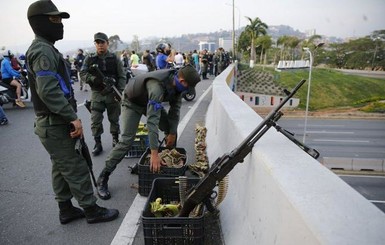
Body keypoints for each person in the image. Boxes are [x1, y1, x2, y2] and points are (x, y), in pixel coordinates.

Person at [26, 0, 119, 224]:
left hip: (52, 122)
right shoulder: (43, 51)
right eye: (54, 19)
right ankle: (91, 210)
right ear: (40, 22)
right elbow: (48, 91)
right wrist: (72, 117)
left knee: (61, 166)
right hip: (55, 122)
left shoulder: (47, 48)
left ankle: (66, 209)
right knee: (75, 166)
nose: (60, 25)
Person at [96, 64, 201, 199]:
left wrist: (172, 133)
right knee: (126, 141)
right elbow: (152, 122)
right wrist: (154, 153)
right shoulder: (157, 87)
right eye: (188, 87)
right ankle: (104, 176)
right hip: (132, 103)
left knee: (170, 130)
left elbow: (174, 112)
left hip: (149, 102)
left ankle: (168, 166)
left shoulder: (178, 87)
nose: (188, 91)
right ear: (182, 82)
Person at [80, 32, 126, 156]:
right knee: (95, 120)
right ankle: (97, 143)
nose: (100, 45)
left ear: (107, 43)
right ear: (95, 44)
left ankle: (115, 139)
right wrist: (94, 79)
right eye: (97, 43)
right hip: (97, 94)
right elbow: (82, 73)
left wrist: (119, 91)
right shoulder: (89, 58)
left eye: (102, 42)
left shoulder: (114, 58)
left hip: (112, 93)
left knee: (114, 119)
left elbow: (122, 76)